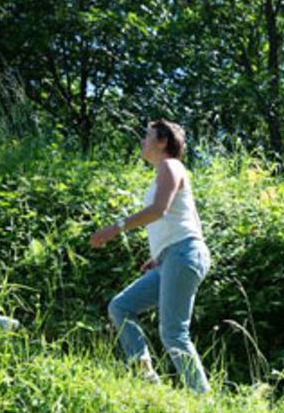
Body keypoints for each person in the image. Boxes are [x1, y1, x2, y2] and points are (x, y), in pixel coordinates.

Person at [90, 119, 211, 394]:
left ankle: (203, 399)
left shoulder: (170, 165)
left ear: (162, 142)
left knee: (173, 333)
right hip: (174, 256)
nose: (143, 141)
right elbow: (190, 218)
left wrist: (116, 228)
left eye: (147, 136)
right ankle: (146, 376)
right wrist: (159, 256)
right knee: (120, 307)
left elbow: (159, 210)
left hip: (183, 254)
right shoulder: (164, 172)